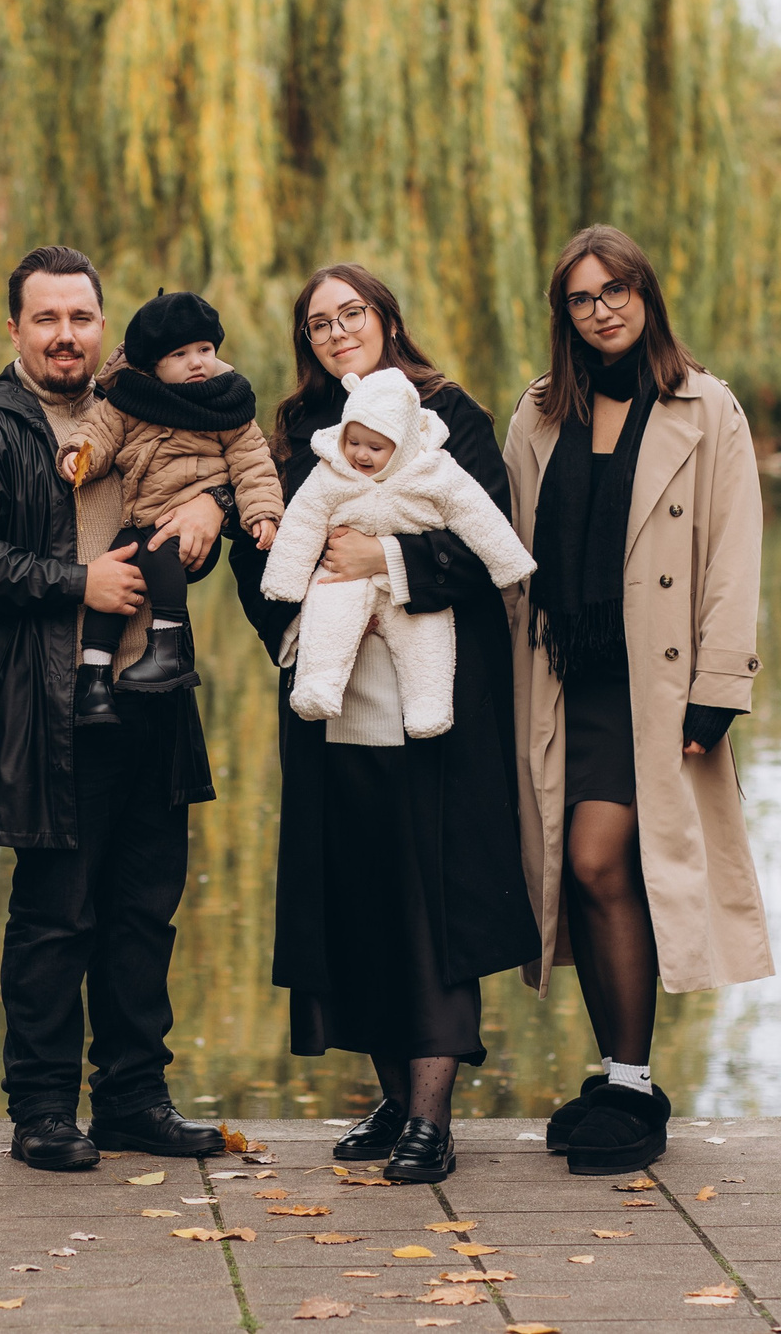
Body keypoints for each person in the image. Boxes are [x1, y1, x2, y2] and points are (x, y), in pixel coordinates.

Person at [230, 264, 539, 1186]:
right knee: (356, 897)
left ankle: (432, 1119)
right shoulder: (296, 436)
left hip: (432, 705)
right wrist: (299, 620)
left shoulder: (454, 419)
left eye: (350, 312)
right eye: (318, 322)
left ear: (386, 318)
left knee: (428, 902)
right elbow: (267, 552)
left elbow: (490, 545)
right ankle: (394, 1098)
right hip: (330, 699)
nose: (336, 331)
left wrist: (385, 558)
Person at [0, 244, 230, 1171]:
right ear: (14, 327)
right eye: (47, 319)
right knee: (58, 915)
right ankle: (44, 1108)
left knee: (145, 908)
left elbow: (215, 470)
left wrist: (212, 509)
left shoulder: (149, 401)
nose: (66, 335)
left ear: (105, 324)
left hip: (156, 694)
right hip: (48, 705)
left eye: (82, 318)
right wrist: (76, 581)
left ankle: (135, 1098)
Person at [501, 225, 771, 1177]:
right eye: (581, 296)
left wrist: (718, 689)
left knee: (604, 857)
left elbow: (735, 554)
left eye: (616, 289)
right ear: (562, 313)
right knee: (577, 876)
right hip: (560, 679)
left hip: (653, 685)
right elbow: (510, 563)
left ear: (645, 294)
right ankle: (623, 1079)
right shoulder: (537, 414)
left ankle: (630, 1081)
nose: (601, 308)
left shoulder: (706, 407)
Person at [259, 368, 533, 737]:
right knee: (328, 615)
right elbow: (302, 521)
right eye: (352, 442)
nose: (360, 455)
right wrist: (285, 585)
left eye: (375, 447)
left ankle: (428, 708)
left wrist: (508, 560)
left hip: (414, 595)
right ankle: (317, 687)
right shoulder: (325, 462)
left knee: (427, 635)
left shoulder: (433, 465)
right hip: (341, 583)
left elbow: (476, 514)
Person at [52, 290, 284, 719]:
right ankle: (95, 678)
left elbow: (254, 464)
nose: (197, 362)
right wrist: (77, 457)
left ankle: (168, 645)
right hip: (140, 518)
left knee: (160, 552)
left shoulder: (226, 404)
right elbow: (97, 433)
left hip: (191, 528)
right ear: (153, 364)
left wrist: (262, 512)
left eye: (205, 349)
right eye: (180, 354)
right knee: (115, 576)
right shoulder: (130, 401)